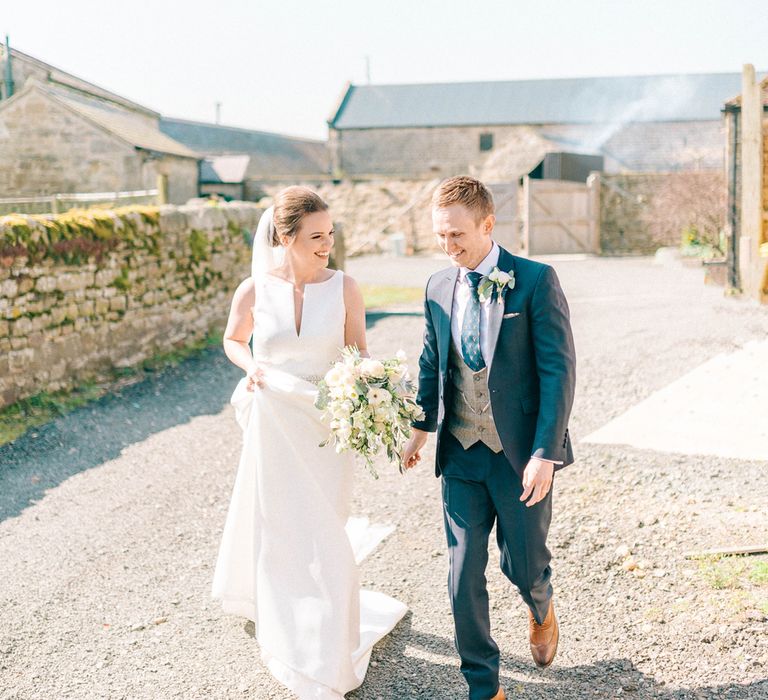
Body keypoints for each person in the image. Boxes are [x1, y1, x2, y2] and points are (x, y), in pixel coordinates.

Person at [212, 187, 406, 700]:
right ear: (285, 237)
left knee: (324, 525)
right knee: (280, 524)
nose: (328, 244)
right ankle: (290, 627)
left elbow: (358, 351)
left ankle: (326, 622)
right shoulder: (252, 290)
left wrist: (369, 385)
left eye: (331, 234)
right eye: (317, 236)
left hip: (327, 428)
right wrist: (250, 364)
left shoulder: (345, 287)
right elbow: (233, 340)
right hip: (274, 421)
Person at [402, 176, 576, 700]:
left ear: (487, 224)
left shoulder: (534, 280)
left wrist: (545, 453)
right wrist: (418, 430)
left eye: (456, 235)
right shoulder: (436, 286)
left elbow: (558, 373)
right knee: (461, 575)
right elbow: (433, 362)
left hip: (519, 456)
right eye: (439, 236)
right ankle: (485, 686)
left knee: (522, 565)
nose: (448, 247)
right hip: (460, 454)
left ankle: (540, 605)